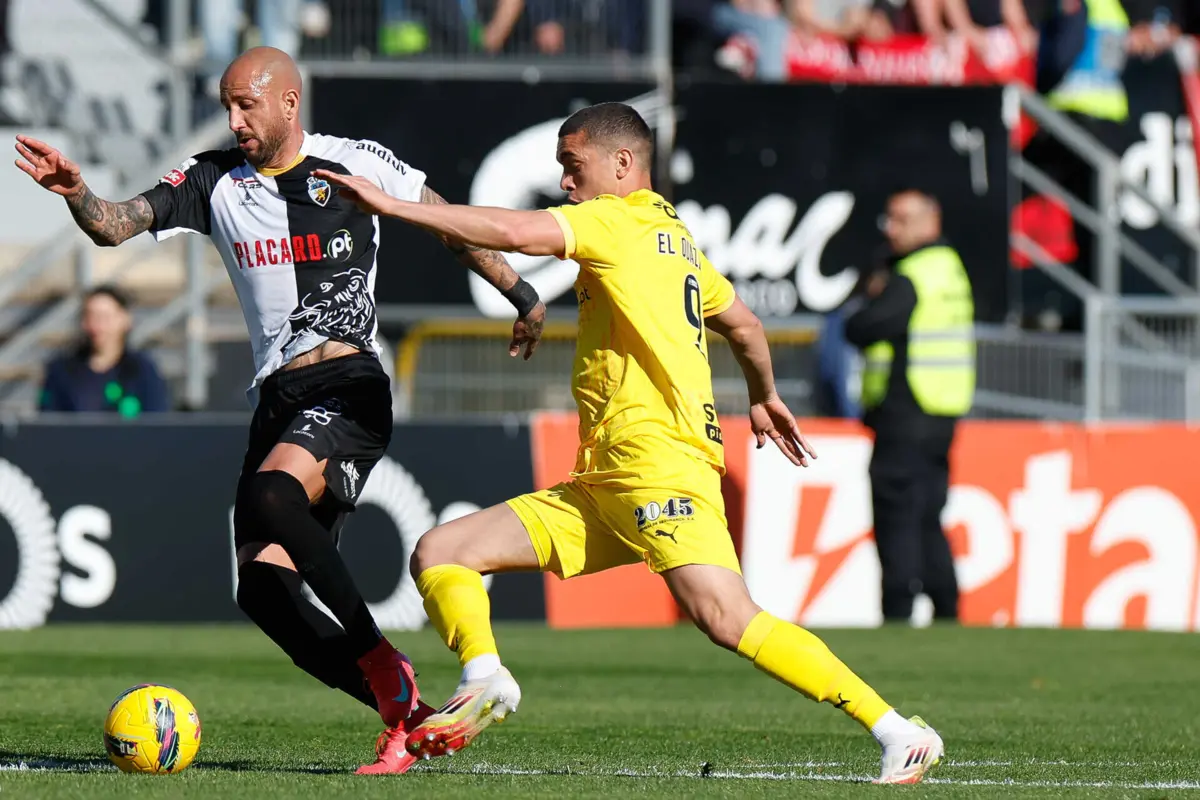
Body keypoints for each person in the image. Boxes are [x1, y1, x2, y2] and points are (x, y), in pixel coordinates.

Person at [314, 101, 945, 785]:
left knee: (725, 616)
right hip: (604, 482)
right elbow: (747, 326)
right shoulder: (671, 236)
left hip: (660, 469)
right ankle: (485, 675)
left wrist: (391, 205)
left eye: (572, 166)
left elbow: (511, 230)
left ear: (622, 164)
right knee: (444, 551)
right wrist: (763, 396)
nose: (564, 183)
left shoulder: (615, 220)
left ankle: (897, 730)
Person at [13, 46, 545, 775]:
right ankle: (405, 719)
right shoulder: (213, 180)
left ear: (289, 104)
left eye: (246, 106)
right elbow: (114, 224)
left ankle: (383, 660)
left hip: (350, 385)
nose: (235, 121)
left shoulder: (354, 162)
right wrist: (76, 190)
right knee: (263, 590)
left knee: (272, 493)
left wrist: (521, 294)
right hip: (278, 400)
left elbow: (449, 222)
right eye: (227, 106)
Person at [844, 189, 975, 624]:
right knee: (927, 515)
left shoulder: (910, 276)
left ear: (928, 222)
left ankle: (898, 611)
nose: (890, 229)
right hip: (943, 411)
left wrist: (867, 299)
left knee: (896, 515)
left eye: (900, 220)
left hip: (906, 410)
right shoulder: (951, 269)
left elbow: (863, 328)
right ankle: (947, 610)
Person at [39, 285, 171, 415]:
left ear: (125, 319)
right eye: (91, 317)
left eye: (105, 318)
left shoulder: (142, 370)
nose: (97, 326)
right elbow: (50, 422)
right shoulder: (61, 371)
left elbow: (156, 422)